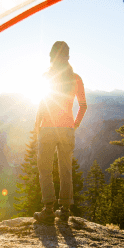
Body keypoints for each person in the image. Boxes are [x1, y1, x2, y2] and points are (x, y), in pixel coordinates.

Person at [33, 41, 87, 224]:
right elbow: (83, 105)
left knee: (45, 169)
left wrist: (37, 127)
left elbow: (42, 104)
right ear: (68, 57)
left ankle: (48, 210)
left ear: (51, 57)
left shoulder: (46, 76)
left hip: (48, 129)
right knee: (66, 170)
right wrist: (75, 124)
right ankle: (65, 210)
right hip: (67, 130)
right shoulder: (76, 78)